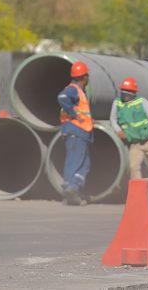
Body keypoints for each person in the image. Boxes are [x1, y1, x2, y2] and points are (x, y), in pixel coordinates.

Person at [109, 77, 148, 180]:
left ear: (133, 93)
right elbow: (113, 120)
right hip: (134, 143)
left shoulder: (142, 102)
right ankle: (138, 191)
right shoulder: (117, 103)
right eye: (123, 93)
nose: (125, 96)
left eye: (127, 94)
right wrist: (118, 131)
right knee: (133, 167)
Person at [57, 61, 94, 206]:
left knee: (78, 162)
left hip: (76, 131)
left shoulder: (78, 92)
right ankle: (72, 188)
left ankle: (71, 191)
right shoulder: (73, 90)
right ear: (84, 77)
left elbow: (81, 111)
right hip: (76, 130)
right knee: (79, 163)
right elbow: (62, 98)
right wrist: (73, 114)